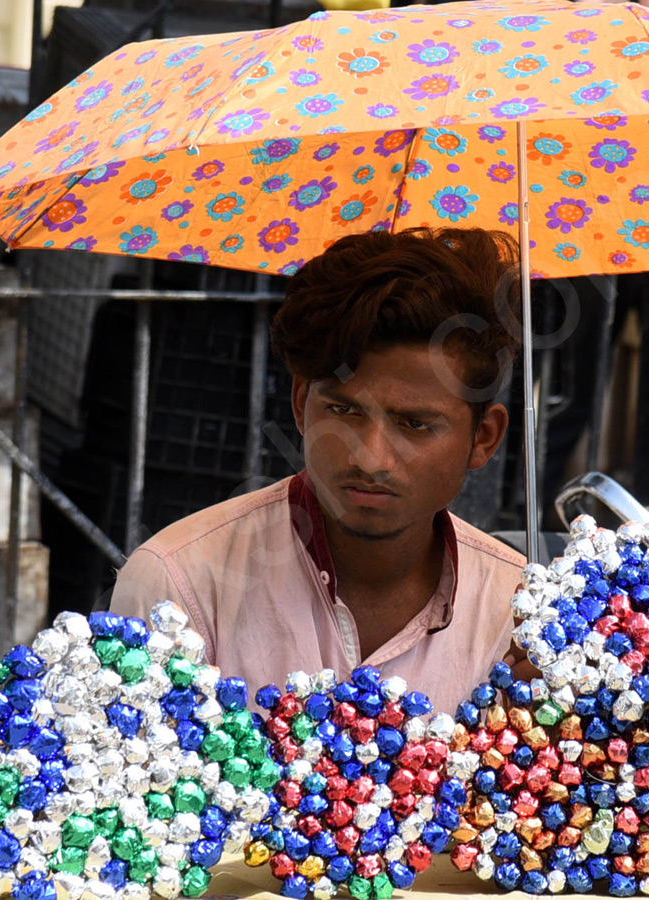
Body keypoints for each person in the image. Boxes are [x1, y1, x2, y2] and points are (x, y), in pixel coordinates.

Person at [110, 227, 527, 714]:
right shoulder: (180, 586)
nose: (369, 459)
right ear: (301, 400)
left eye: (414, 424)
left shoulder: (524, 619)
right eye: (344, 412)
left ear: (484, 437)